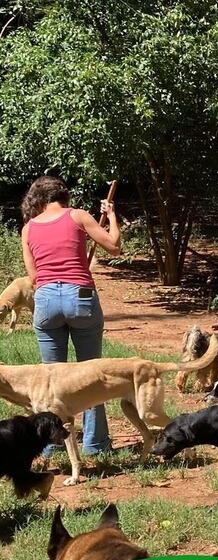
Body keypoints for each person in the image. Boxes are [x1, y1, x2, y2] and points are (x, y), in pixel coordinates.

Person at [20, 176, 121, 454]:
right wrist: (111, 216)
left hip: (46, 300)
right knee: (92, 377)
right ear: (64, 197)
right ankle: (95, 444)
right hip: (81, 298)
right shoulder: (77, 216)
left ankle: (49, 445)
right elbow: (113, 245)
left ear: (39, 200)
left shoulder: (28, 229)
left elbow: (33, 276)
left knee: (50, 381)